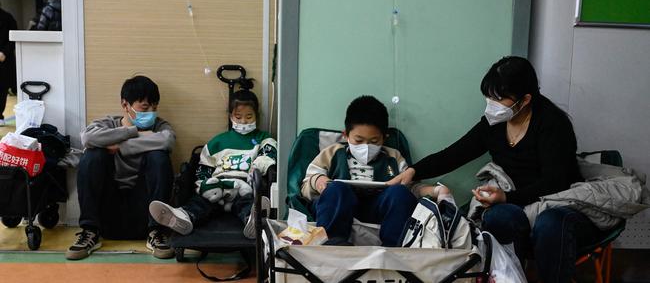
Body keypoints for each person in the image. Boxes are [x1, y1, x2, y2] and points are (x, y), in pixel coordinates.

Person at [388, 56, 603, 283]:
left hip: (558, 203)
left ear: (525, 99)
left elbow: (555, 181)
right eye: (489, 97)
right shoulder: (494, 123)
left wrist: (508, 196)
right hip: (518, 201)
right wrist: (413, 171)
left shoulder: (553, 124)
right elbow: (455, 153)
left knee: (550, 224)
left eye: (499, 99)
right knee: (500, 217)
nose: (492, 104)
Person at [66, 75, 176, 260]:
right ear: (125, 105)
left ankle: (156, 232)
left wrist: (121, 146)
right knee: (92, 155)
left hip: (144, 209)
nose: (151, 112)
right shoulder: (106, 124)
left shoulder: (160, 126)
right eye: (145, 107)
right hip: (109, 208)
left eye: (155, 107)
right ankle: (90, 231)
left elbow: (167, 140)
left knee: (159, 156)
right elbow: (88, 138)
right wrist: (132, 132)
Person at [149, 84, 276, 239]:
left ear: (256, 115)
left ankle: (253, 220)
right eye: (238, 117)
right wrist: (205, 186)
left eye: (249, 117)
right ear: (231, 116)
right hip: (218, 187)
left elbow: (268, 156)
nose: (243, 121)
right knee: (201, 202)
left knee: (246, 203)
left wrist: (255, 169)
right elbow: (203, 170)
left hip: (244, 186)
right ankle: (184, 216)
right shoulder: (217, 142)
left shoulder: (264, 138)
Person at [301, 95, 418, 247]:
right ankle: (333, 243)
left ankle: (394, 247)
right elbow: (306, 184)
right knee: (336, 189)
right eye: (358, 140)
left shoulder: (393, 156)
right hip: (339, 205)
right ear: (346, 135)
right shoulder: (332, 152)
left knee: (400, 193)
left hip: (376, 207)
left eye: (374, 142)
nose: (366, 147)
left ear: (385, 138)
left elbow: (410, 186)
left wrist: (433, 190)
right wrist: (319, 182)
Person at [0, 3, 17, 126]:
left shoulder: (7, 18)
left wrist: (4, 52)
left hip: (4, 61)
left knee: (2, 90)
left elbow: (13, 38)